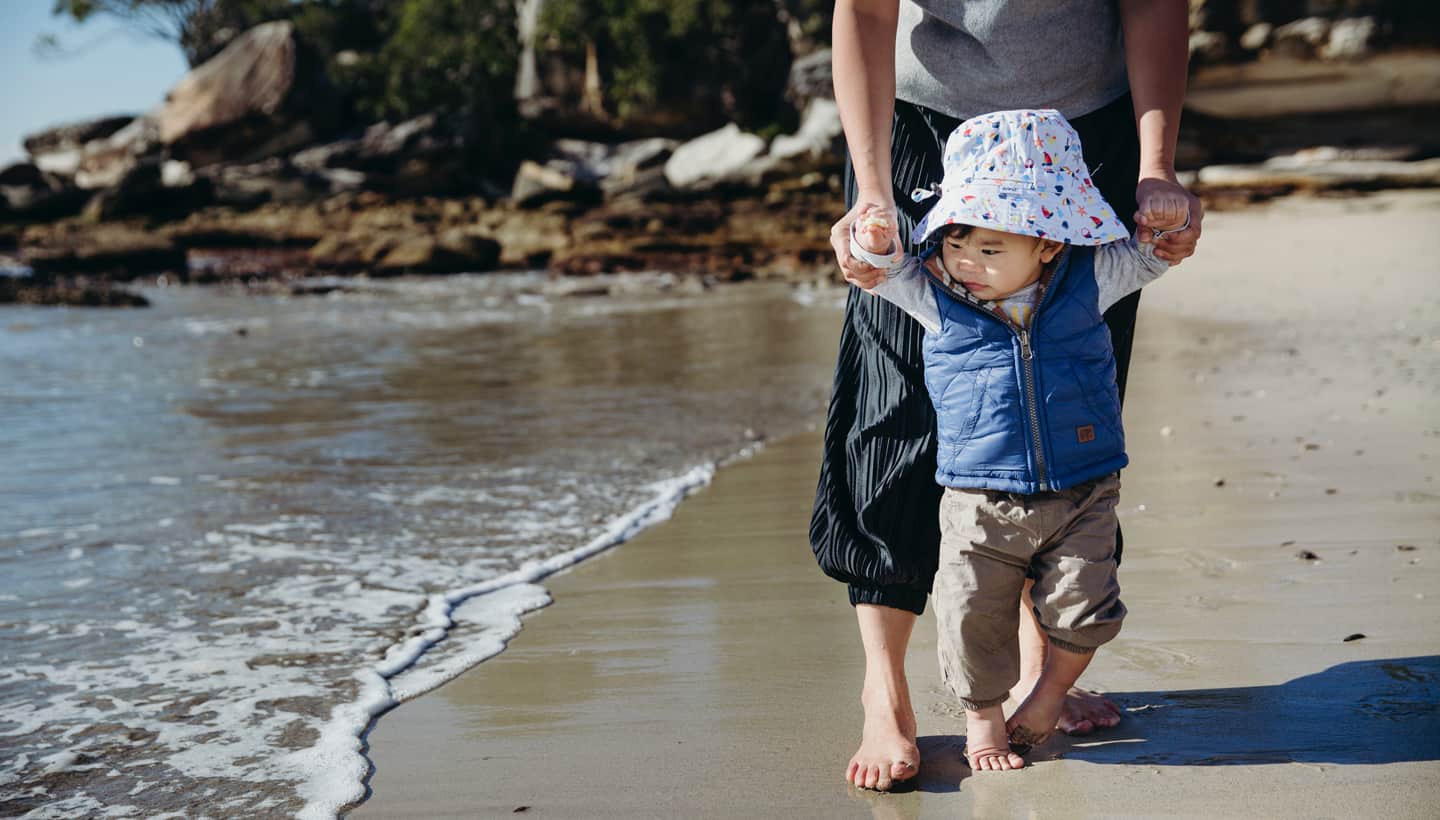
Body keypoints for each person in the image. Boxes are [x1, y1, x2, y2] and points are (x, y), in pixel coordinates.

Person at [814, 0, 1203, 791]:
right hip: (922, 126)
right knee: (892, 403)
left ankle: (1041, 662)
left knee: (1070, 382)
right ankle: (883, 687)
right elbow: (863, 10)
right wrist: (872, 189)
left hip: (1081, 133)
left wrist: (1156, 166)